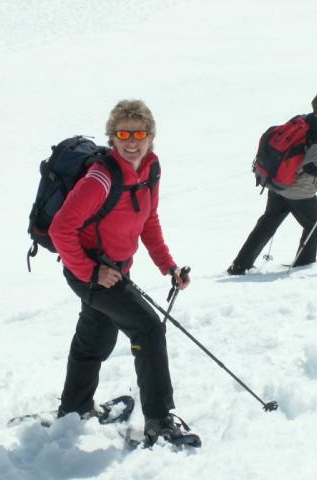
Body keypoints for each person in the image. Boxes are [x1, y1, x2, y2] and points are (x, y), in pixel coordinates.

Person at [48, 99, 191, 444]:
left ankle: (74, 409)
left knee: (95, 338)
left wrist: (168, 266)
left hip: (114, 270)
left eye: (139, 133)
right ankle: (159, 420)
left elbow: (149, 220)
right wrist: (91, 272)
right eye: (123, 134)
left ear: (151, 136)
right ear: (112, 137)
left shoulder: (150, 170)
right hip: (91, 272)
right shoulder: (100, 178)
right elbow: (60, 230)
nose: (131, 141)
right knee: (148, 329)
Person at [227, 90, 317, 274]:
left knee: (267, 223)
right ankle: (304, 266)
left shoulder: (302, 120)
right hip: (299, 191)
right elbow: (312, 166)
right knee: (315, 224)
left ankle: (240, 265)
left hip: (277, 182)